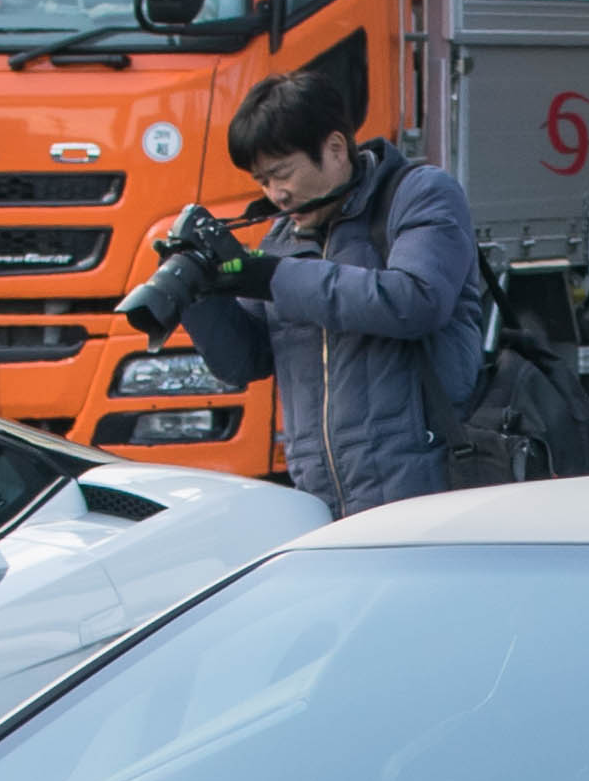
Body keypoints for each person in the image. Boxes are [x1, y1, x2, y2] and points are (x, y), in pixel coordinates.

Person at [156, 68, 478, 515]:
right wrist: (200, 289)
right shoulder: (281, 238)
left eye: (281, 174)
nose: (276, 194)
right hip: (324, 502)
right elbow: (243, 362)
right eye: (262, 182)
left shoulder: (420, 194)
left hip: (428, 490)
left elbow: (416, 301)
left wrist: (267, 275)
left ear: (334, 148)